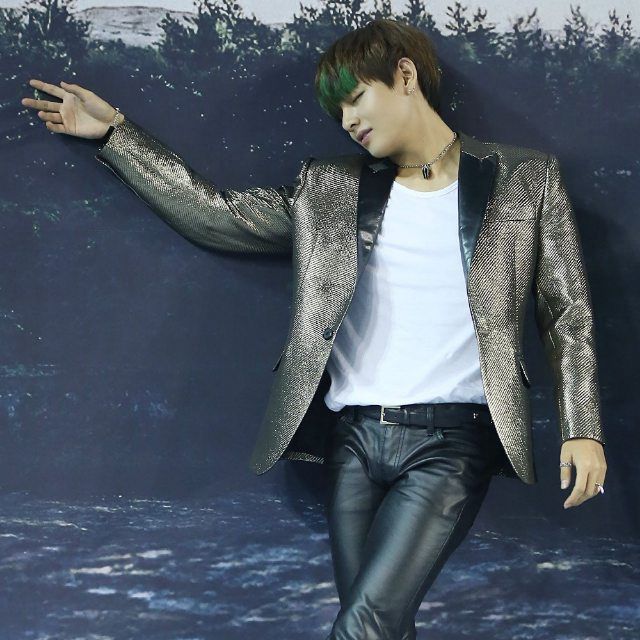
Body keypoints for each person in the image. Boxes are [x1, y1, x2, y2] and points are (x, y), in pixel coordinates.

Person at [21, 17, 607, 640]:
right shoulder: (327, 187)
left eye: (356, 98)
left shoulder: (525, 179)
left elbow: (566, 311)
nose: (348, 121)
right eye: (339, 113)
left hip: (451, 444)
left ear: (405, 75)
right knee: (380, 627)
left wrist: (583, 428)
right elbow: (214, 215)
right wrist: (116, 134)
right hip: (352, 444)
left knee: (364, 624)